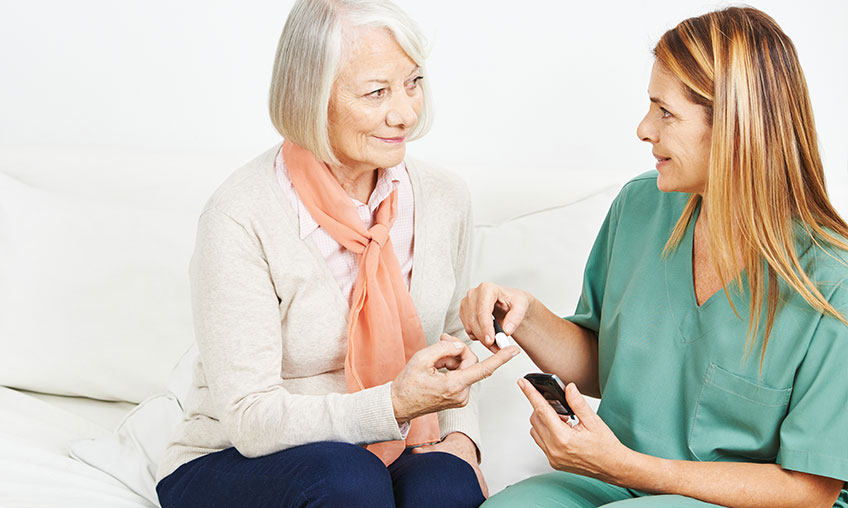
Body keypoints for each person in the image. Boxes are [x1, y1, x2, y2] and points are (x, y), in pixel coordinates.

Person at [462, 7, 848, 508]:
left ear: (735, 128)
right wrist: (526, 316)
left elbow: (811, 491)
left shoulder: (830, 282)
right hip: (614, 478)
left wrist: (624, 464)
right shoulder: (641, 205)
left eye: (665, 112)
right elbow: (608, 365)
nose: (644, 129)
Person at [154, 1, 519, 507]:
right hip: (236, 455)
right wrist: (392, 403)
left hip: (396, 444)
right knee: (347, 478)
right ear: (310, 97)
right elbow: (249, 416)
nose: (406, 113)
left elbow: (449, 337)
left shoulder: (443, 197)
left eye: (413, 83)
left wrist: (461, 440)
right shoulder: (240, 216)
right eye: (377, 92)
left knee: (446, 488)